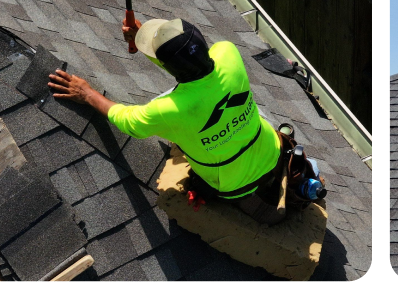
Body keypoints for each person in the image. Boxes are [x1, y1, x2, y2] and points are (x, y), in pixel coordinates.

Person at [48, 17, 289, 224]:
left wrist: (87, 94)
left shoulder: (171, 110)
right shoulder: (228, 53)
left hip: (236, 185)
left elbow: (128, 121)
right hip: (273, 149)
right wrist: (151, 45)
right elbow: (194, 69)